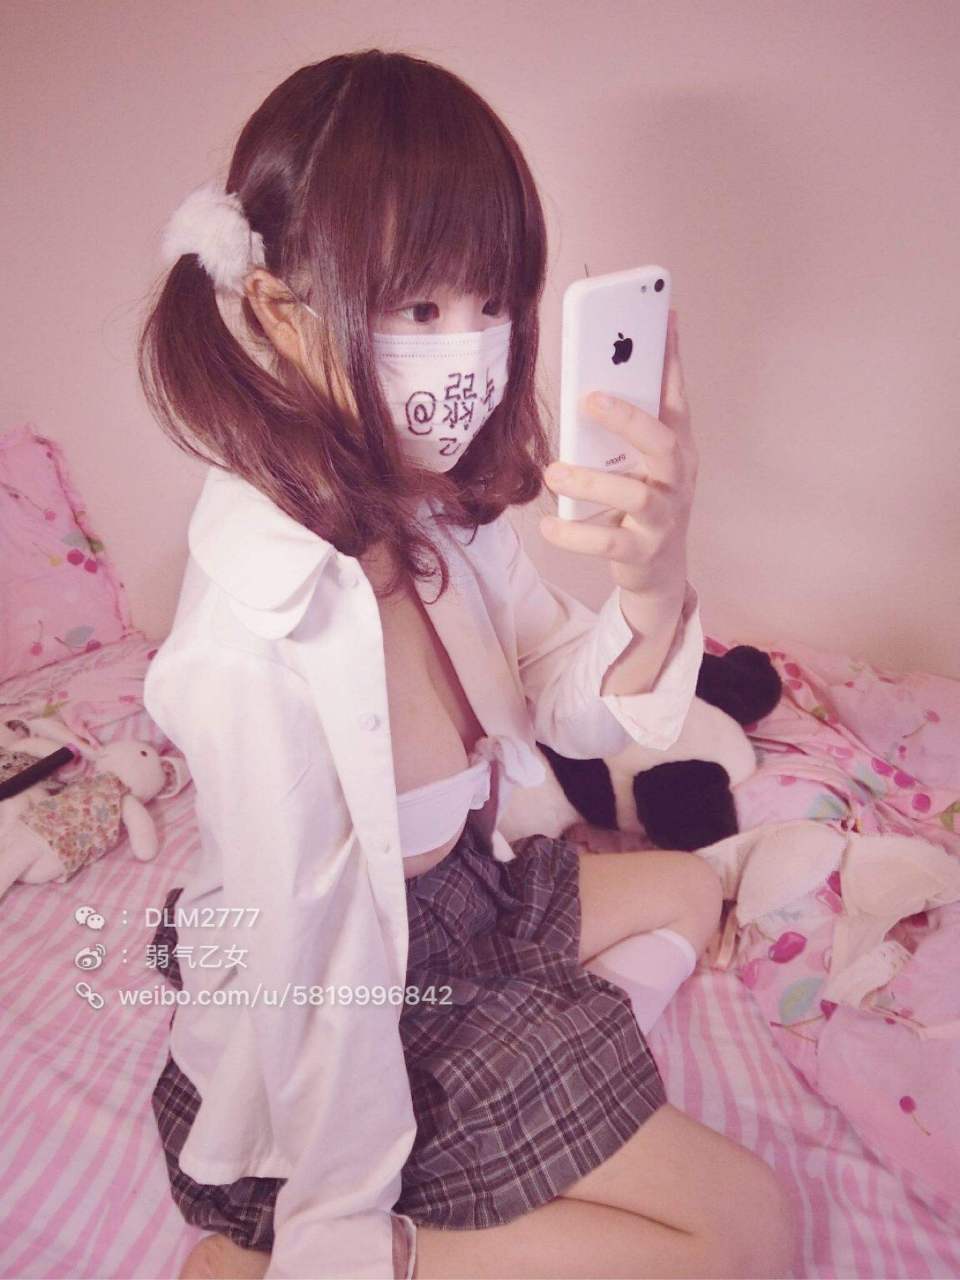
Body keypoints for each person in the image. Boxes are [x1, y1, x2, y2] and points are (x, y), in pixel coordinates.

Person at [138, 48, 796, 1280]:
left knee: (690, 888)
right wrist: (331, 1233)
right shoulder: (251, 636)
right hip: (364, 992)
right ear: (279, 311)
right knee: (746, 1230)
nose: (471, 347)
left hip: (463, 902)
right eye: (419, 308)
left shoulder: (437, 517)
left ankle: (546, 1091)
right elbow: (304, 966)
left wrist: (655, 578)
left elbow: (568, 701)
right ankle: (341, 1246)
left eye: (491, 301)